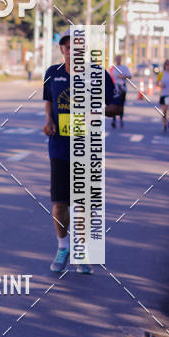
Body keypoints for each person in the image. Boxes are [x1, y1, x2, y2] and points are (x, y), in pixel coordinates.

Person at [43, 29, 117, 275]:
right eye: (65, 46)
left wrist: (96, 111)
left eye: (74, 46)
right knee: (59, 203)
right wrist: (48, 121)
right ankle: (63, 246)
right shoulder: (52, 74)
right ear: (61, 49)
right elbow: (48, 100)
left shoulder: (97, 75)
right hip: (59, 148)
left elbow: (115, 107)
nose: (69, 50)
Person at [110, 54, 131, 128]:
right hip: (115, 88)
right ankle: (114, 119)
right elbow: (110, 78)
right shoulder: (113, 68)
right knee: (114, 104)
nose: (118, 60)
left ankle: (121, 119)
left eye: (119, 59)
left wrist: (122, 77)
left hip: (122, 88)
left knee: (121, 105)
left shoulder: (124, 68)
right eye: (117, 59)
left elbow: (129, 76)